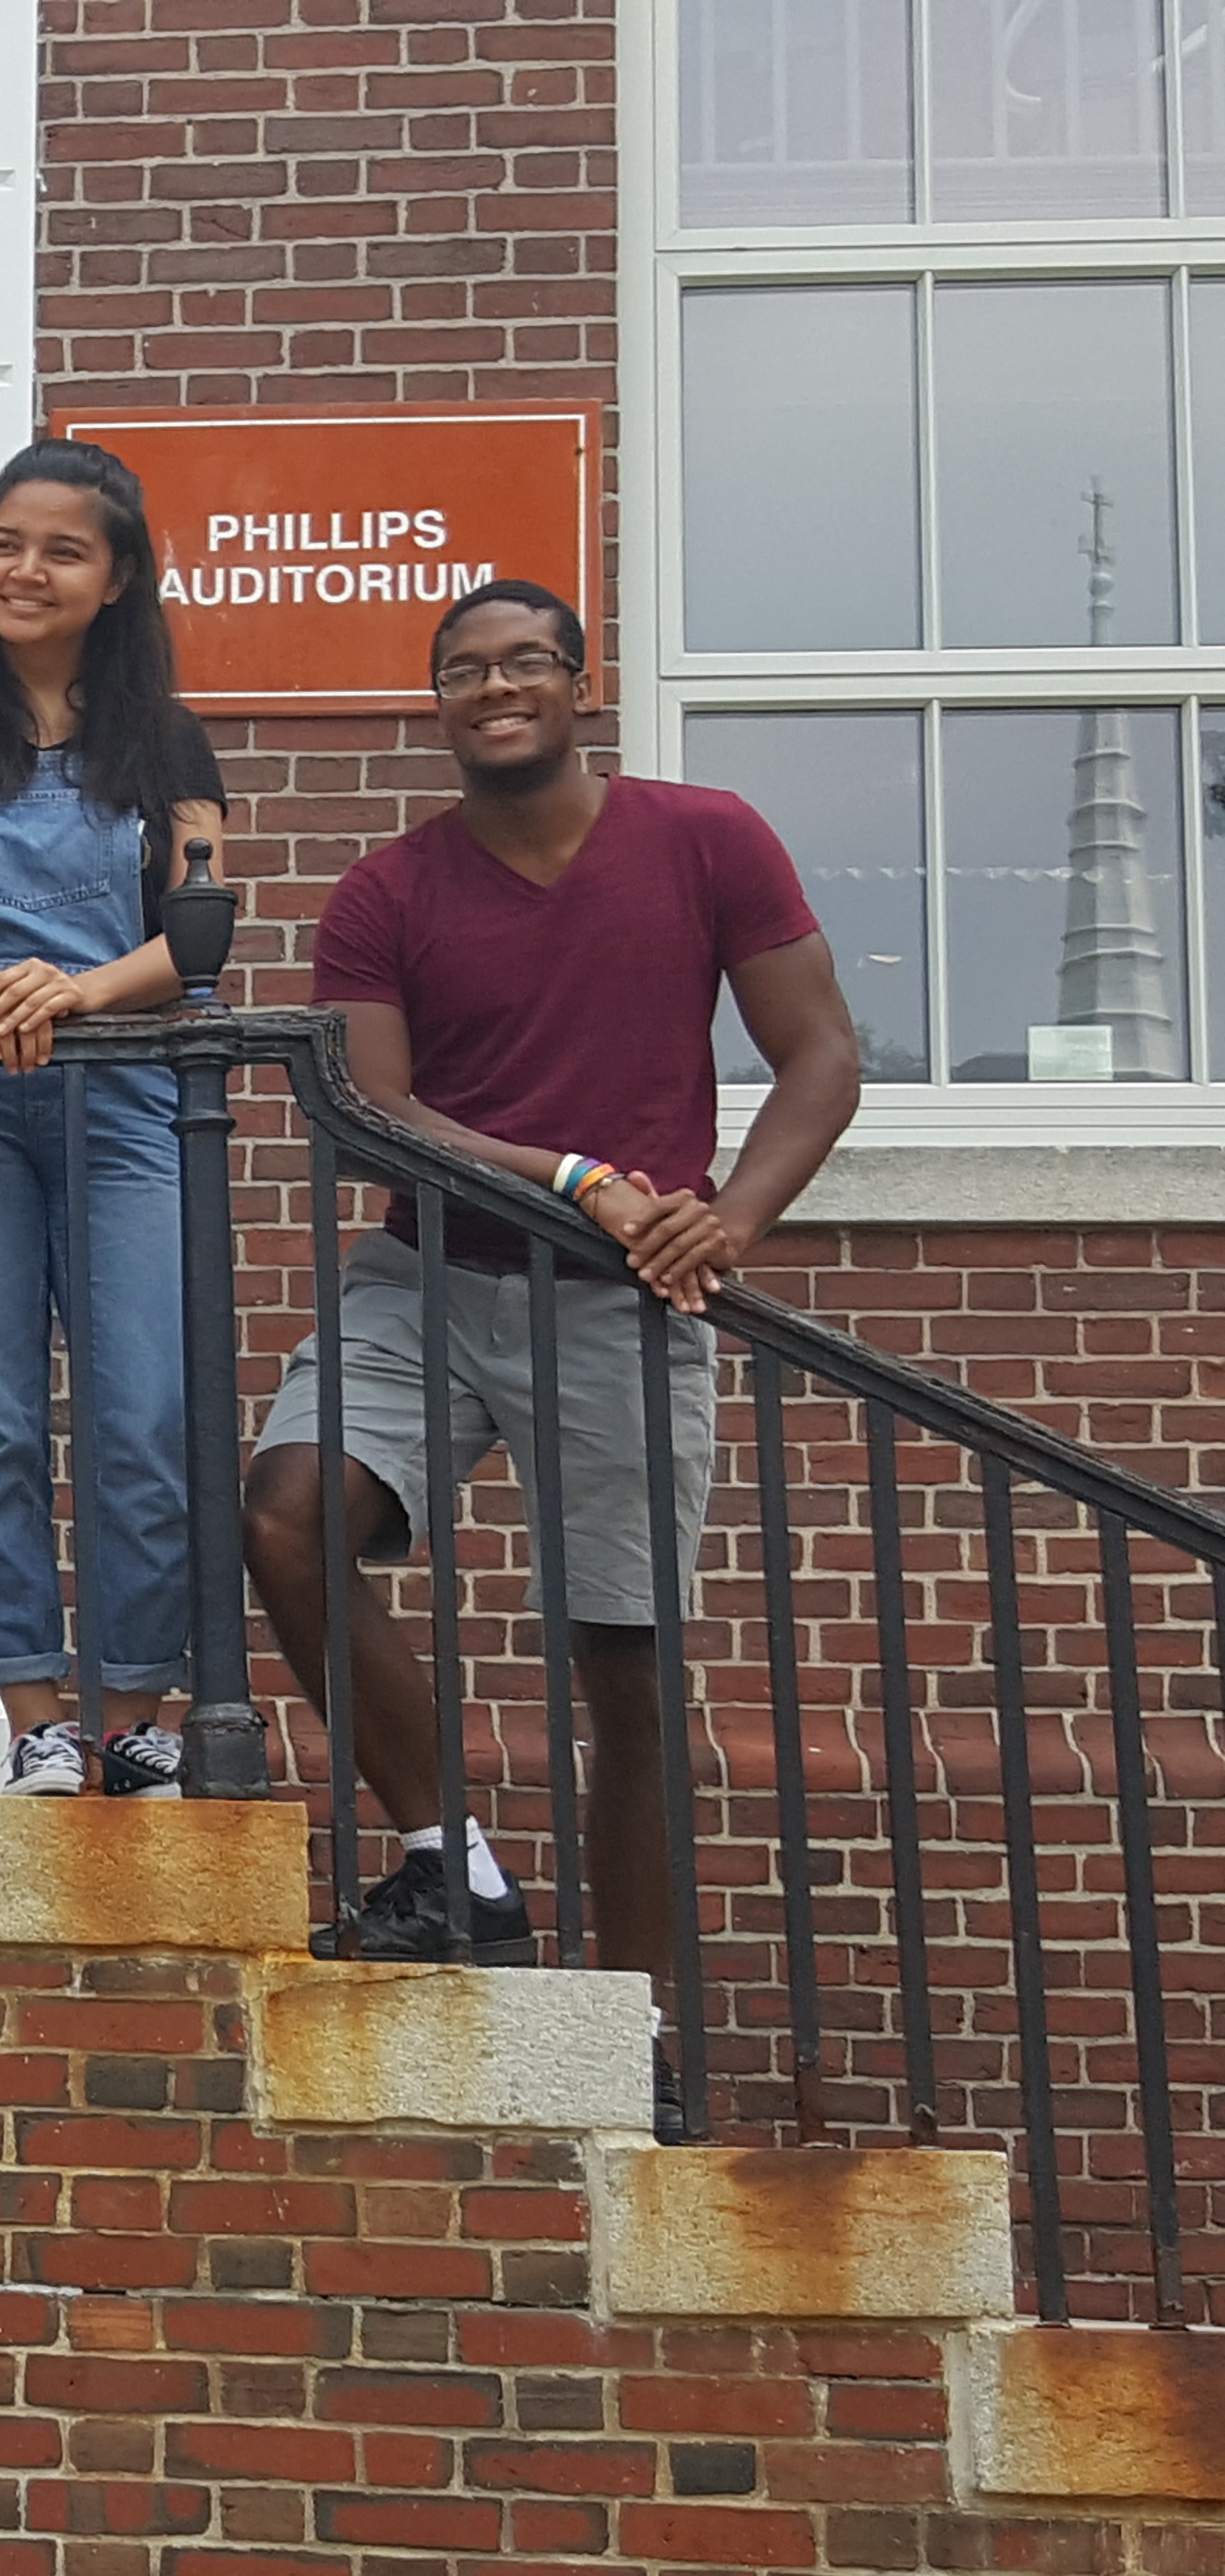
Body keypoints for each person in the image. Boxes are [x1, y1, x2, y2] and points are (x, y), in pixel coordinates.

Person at [246, 579, 857, 2056]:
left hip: (619, 1306)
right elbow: (375, 1113)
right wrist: (575, 1176)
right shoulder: (388, 892)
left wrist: (732, 1220)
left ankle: (634, 2034)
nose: (496, 687)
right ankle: (450, 1868)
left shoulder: (705, 839)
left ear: (584, 685)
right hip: (425, 1280)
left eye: (527, 662)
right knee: (286, 1516)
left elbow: (821, 1052)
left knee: (625, 1679)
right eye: (465, 670)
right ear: (438, 703)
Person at [0, 439, 226, 1798]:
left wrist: (70, 993)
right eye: (5, 544)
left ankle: (134, 1717)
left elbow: (198, 936)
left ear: (117, 580)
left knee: (145, 1418)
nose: (27, 570)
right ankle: (35, 1720)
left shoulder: (167, 743)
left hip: (124, 1096)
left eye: (64, 550)